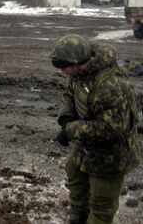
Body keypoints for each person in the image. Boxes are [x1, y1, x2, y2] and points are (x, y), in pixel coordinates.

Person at [50, 34, 140, 224]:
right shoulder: (80, 73)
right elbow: (69, 94)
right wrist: (66, 118)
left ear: (78, 62)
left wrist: (71, 130)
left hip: (112, 155)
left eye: (64, 67)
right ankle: (77, 218)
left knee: (101, 207)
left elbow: (110, 128)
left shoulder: (112, 85)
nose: (62, 72)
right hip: (87, 145)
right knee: (76, 182)